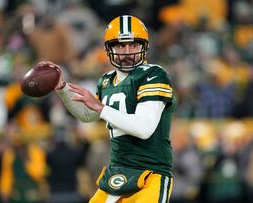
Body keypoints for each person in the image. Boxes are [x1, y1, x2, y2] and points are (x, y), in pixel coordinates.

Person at [41, 15, 176, 202]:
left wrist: (101, 107)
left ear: (144, 46)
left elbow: (144, 128)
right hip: (117, 172)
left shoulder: (153, 75)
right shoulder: (106, 80)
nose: (127, 51)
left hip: (150, 174)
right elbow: (88, 115)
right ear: (109, 48)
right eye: (121, 45)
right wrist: (63, 89)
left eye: (133, 45)